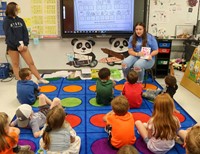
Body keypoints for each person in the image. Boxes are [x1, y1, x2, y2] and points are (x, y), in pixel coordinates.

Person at [3, 2, 49, 84]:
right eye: (17, 8)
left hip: (23, 46)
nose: (18, 10)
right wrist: (17, 45)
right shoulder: (6, 21)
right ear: (12, 9)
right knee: (16, 65)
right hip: (12, 46)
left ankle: (39, 78)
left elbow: (25, 32)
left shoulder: (20, 20)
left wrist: (25, 44)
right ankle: (20, 83)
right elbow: (9, 35)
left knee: (30, 62)